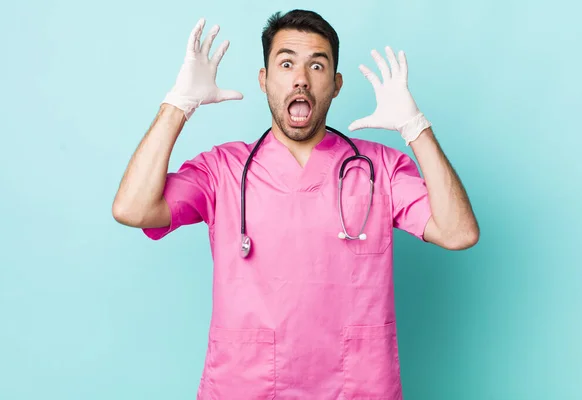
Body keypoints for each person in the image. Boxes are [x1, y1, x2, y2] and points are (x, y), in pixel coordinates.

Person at [112, 9, 479, 400]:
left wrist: (415, 128)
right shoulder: (222, 169)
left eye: (316, 65)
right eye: (286, 63)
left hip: (356, 386)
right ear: (264, 80)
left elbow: (458, 232)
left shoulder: (380, 168)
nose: (301, 78)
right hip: (245, 385)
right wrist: (177, 105)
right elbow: (133, 209)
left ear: (336, 85)